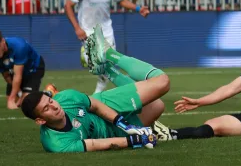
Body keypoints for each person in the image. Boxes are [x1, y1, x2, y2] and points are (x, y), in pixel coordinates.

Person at [20, 25, 171, 153]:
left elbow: (96, 106)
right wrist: (133, 140)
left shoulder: (66, 97)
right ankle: (107, 71)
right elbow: (94, 144)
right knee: (157, 105)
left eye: (50, 101)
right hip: (110, 133)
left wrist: (124, 124)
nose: (54, 106)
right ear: (40, 121)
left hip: (106, 105)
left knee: (162, 82)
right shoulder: (57, 143)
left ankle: (110, 54)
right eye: (46, 108)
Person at [64, 0, 150, 94]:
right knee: (97, 64)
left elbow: (122, 1)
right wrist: (77, 28)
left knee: (109, 64)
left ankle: (97, 96)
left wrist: (139, 9)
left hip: (106, 29)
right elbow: (68, 6)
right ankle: (86, 56)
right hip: (88, 30)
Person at [0, 29, 46, 110]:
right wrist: (19, 93)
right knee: (17, 101)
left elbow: (18, 75)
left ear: (3, 41)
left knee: (27, 103)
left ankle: (49, 92)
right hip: (16, 72)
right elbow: (7, 76)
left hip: (33, 69)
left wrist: (11, 99)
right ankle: (26, 94)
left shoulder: (19, 46)